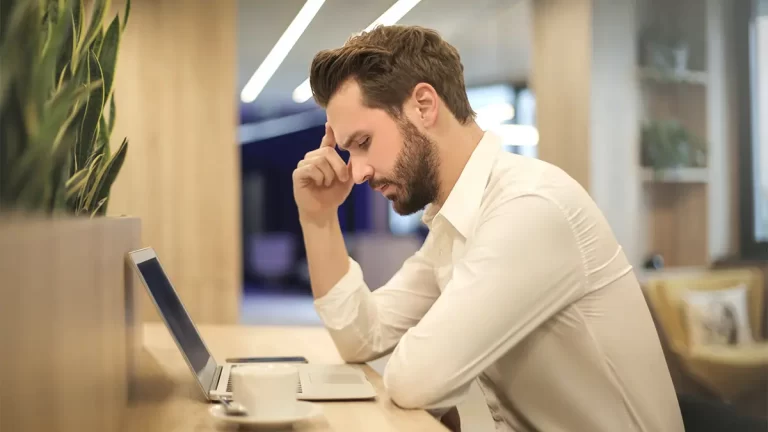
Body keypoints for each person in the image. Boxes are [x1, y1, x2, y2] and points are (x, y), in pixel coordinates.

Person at [292, 24, 684, 432]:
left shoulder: (529, 208)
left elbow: (415, 380)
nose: (356, 172)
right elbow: (363, 337)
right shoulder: (456, 222)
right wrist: (318, 217)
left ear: (424, 105)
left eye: (364, 142)